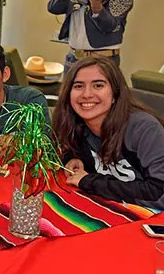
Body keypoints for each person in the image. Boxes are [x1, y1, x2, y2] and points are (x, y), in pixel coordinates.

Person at [54, 56, 164, 209]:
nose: (86, 94)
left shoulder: (144, 128)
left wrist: (89, 182)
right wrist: (70, 158)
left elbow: (158, 192)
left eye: (98, 85)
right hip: (111, 208)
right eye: (78, 86)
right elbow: (63, 148)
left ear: (115, 94)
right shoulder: (76, 124)